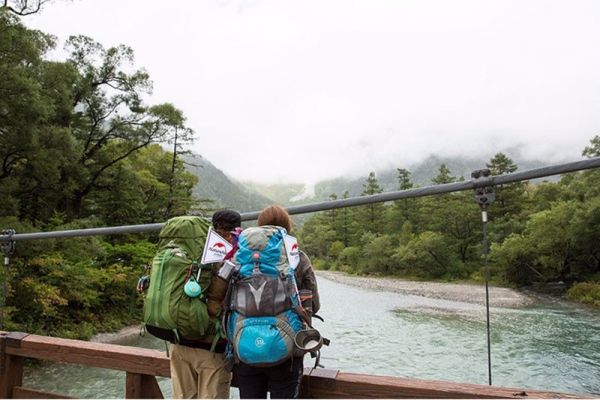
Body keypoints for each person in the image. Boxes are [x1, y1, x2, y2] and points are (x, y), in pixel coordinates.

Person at [233, 204, 321, 399]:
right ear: (286, 227)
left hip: (245, 348)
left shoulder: (241, 257)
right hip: (287, 352)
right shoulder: (297, 257)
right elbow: (314, 305)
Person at [170, 209, 242, 399]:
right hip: (211, 347)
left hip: (178, 343)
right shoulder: (234, 256)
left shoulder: (188, 251)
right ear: (236, 230)